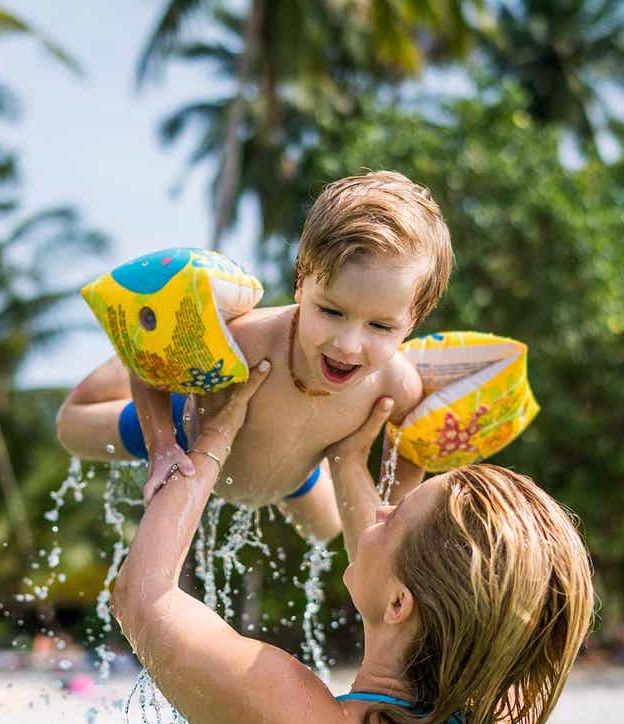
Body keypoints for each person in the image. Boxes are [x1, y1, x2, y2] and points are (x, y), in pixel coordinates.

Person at [110, 364, 594, 724]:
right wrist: (348, 464)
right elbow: (422, 594)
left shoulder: (293, 721)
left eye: (398, 513)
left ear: (399, 605)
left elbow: (144, 598)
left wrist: (213, 436)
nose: (379, 514)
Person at [57, 171, 452, 539]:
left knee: (326, 530)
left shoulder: (398, 386)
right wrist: (162, 445)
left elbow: (409, 448)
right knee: (71, 429)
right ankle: (137, 346)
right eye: (331, 312)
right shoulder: (246, 341)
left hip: (293, 478)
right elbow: (151, 369)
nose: (348, 345)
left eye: (380, 327)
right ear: (301, 284)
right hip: (186, 426)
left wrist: (395, 511)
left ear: (414, 320)